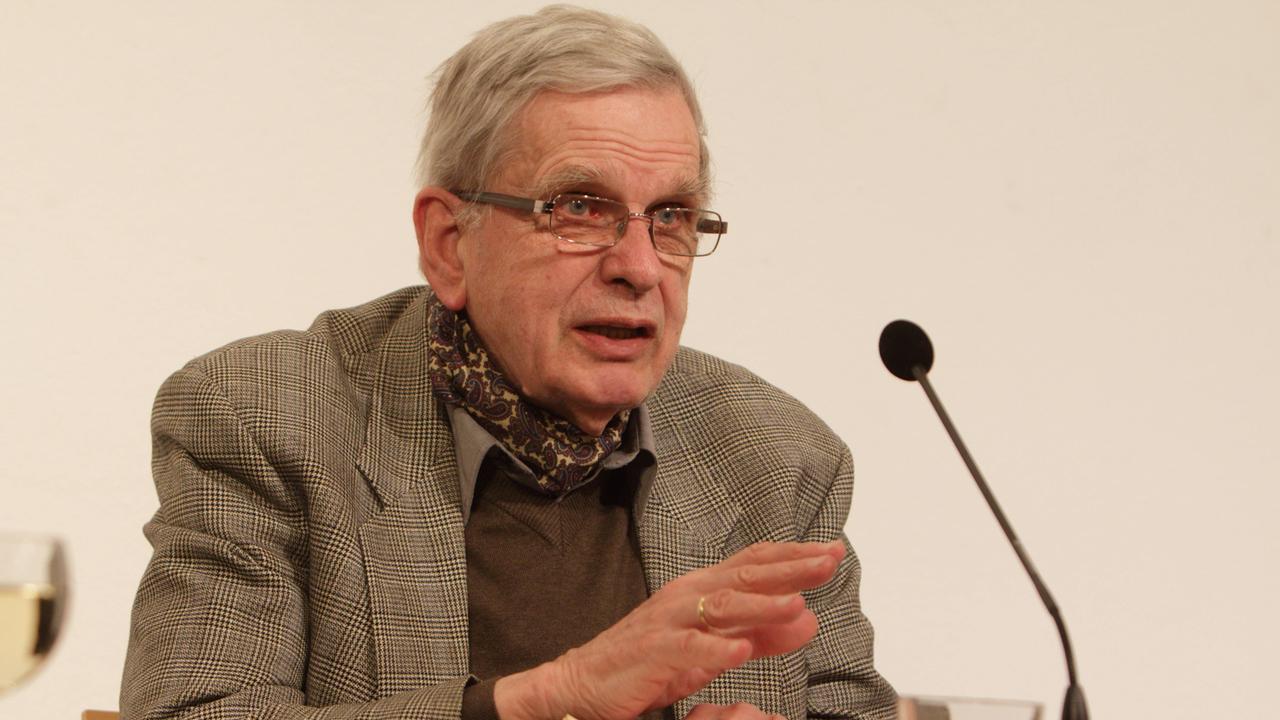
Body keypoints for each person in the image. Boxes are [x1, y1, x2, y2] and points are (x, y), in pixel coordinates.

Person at [121, 6, 896, 720]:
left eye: (670, 216)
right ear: (449, 245)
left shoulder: (777, 459)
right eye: (579, 207)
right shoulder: (267, 418)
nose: (639, 266)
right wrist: (551, 698)